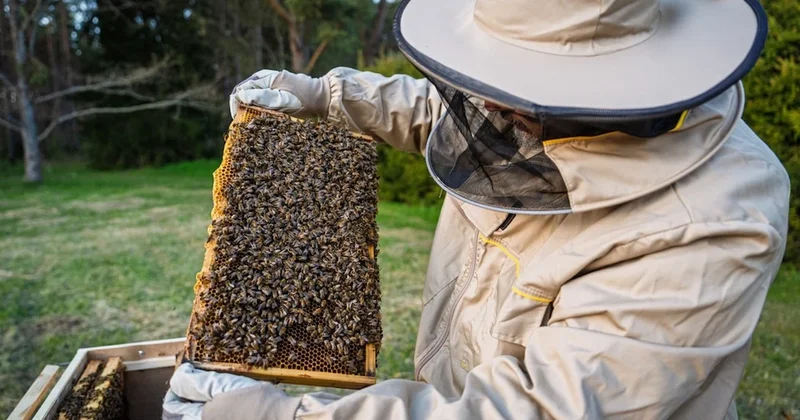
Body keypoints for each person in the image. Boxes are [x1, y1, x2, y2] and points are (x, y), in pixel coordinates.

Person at [163, 0, 789, 418]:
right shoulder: (516, 111)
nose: (488, 108)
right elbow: (454, 115)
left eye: (512, 93)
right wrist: (334, 98)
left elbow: (546, 411)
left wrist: (285, 416)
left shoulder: (717, 220)